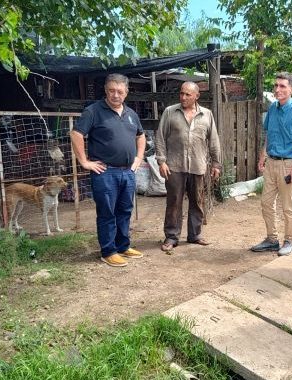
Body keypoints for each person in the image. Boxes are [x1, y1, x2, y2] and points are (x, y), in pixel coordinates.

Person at [70, 73, 146, 267]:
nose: (115, 95)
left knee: (125, 210)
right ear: (105, 90)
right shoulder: (93, 111)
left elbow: (141, 136)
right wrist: (84, 161)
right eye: (111, 90)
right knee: (107, 212)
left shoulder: (131, 114)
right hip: (105, 173)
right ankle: (108, 251)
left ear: (126, 93)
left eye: (120, 91)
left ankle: (123, 246)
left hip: (127, 172)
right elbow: (76, 134)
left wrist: (138, 158)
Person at [154, 81, 221, 252]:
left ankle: (195, 235)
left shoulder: (207, 115)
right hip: (174, 165)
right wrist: (161, 161)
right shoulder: (170, 112)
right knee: (174, 202)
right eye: (182, 93)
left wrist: (216, 163)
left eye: (187, 94)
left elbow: (213, 140)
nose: (183, 97)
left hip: (198, 165)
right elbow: (160, 137)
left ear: (196, 96)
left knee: (197, 201)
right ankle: (171, 236)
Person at [251, 72, 292, 256]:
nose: (278, 89)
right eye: (276, 85)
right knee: (266, 203)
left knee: (288, 207)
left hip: (288, 164)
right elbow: (269, 135)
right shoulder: (273, 109)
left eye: (282, 86)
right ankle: (271, 239)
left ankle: (289, 241)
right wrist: (263, 156)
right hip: (271, 163)